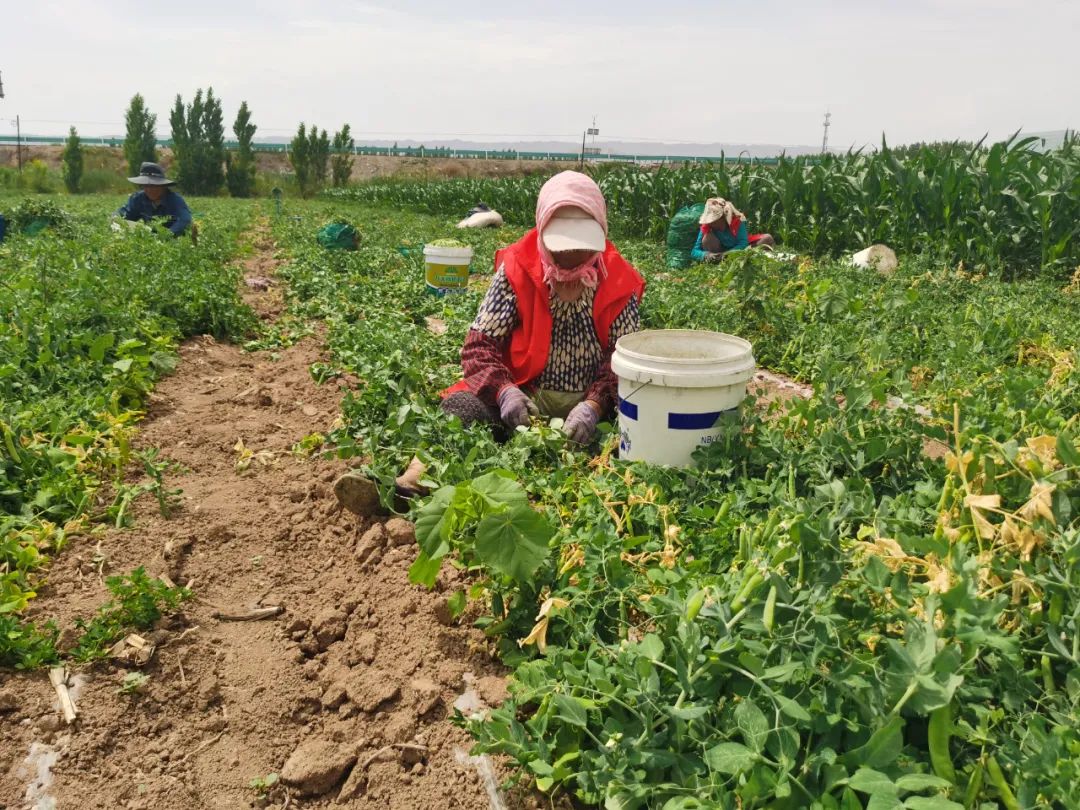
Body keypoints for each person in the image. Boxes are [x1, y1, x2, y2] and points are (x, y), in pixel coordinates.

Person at [333, 170, 646, 516]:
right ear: (543, 238)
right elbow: (479, 347)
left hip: (593, 410)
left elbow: (623, 361)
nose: (570, 268)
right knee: (462, 412)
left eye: (581, 255)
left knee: (643, 423)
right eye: (561, 257)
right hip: (525, 395)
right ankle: (409, 484)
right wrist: (505, 392)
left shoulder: (619, 281)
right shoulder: (518, 270)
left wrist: (595, 404)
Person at [114, 162, 193, 237]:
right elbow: (123, 214)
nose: (149, 190)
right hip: (149, 238)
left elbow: (185, 220)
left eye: (153, 186)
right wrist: (117, 221)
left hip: (173, 241)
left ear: (163, 186)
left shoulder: (175, 200)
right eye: (146, 186)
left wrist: (166, 235)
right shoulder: (138, 199)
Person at [691, 197, 774, 263]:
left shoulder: (737, 221)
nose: (712, 223)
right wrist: (706, 255)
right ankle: (717, 263)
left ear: (723, 217)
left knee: (767, 238)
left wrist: (727, 254)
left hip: (739, 250)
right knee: (707, 239)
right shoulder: (707, 226)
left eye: (715, 220)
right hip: (718, 253)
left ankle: (744, 259)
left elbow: (743, 243)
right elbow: (695, 251)